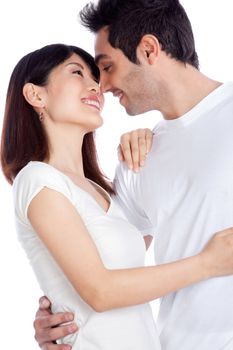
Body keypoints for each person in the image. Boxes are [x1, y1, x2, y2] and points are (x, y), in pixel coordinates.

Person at [1, 42, 233, 350]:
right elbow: (101, 292)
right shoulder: (37, 179)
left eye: (96, 76)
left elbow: (125, 268)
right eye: (77, 73)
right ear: (35, 94)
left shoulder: (100, 190)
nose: (96, 86)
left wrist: (155, 139)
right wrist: (208, 263)